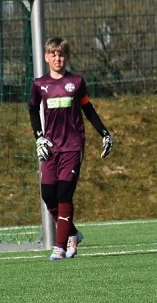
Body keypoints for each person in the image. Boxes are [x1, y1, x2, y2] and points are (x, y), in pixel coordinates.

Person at [29, 37, 114, 260]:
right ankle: (73, 233)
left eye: (62, 54)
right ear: (47, 57)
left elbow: (88, 109)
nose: (58, 58)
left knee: (64, 193)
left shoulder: (76, 82)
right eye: (54, 54)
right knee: (48, 196)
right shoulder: (40, 84)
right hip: (50, 148)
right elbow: (32, 110)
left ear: (67, 57)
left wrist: (104, 133)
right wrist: (39, 137)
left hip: (72, 146)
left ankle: (60, 246)